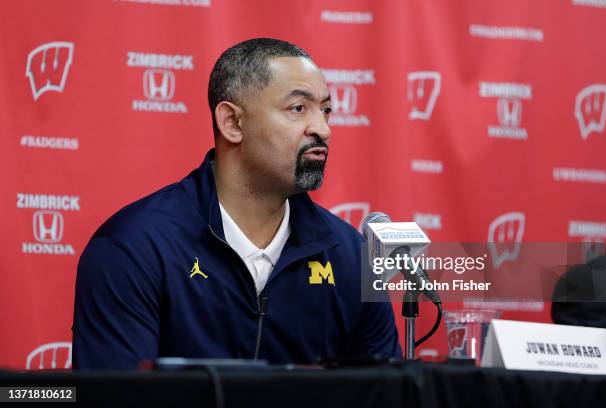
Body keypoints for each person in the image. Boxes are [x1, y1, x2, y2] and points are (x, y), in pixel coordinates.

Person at [72, 38, 401, 369]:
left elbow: (384, 393)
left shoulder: (351, 256)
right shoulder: (134, 248)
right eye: (298, 109)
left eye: (326, 110)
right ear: (232, 122)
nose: (323, 129)